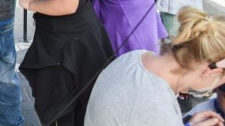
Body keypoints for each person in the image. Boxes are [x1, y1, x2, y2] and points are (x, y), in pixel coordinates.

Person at [85, 7, 225, 126]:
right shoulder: (158, 108)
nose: (214, 88)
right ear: (210, 72)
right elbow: (150, 113)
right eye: (219, 83)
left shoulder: (134, 57)